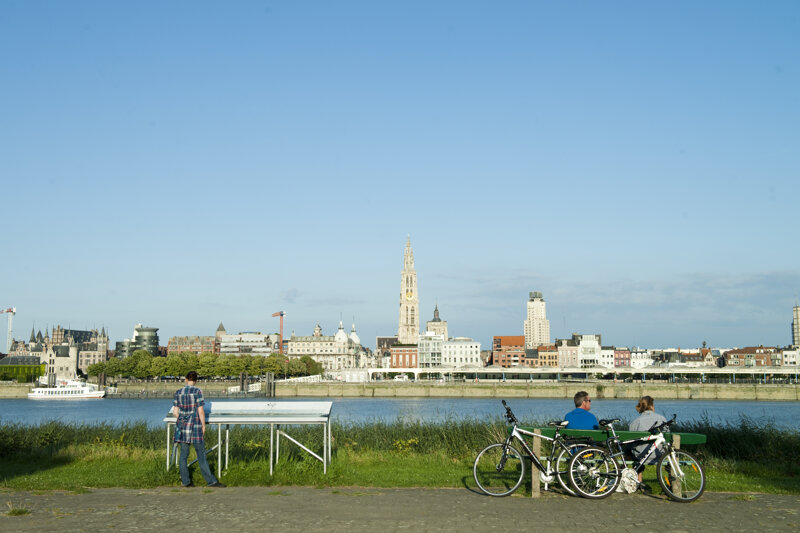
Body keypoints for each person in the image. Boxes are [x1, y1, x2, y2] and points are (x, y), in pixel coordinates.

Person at [172, 370, 225, 488]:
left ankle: (185, 481)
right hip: (195, 425)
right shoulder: (197, 391)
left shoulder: (178, 392)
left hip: (182, 426)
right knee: (201, 455)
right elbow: (200, 411)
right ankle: (211, 481)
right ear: (195, 381)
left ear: (186, 379)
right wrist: (203, 425)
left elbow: (175, 412)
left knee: (183, 456)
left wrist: (183, 419)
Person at [628, 395, 668, 482]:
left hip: (641, 456)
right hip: (660, 455)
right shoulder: (662, 419)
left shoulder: (635, 422)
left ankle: (639, 480)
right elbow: (667, 437)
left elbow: (631, 443)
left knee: (633, 450)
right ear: (652, 406)